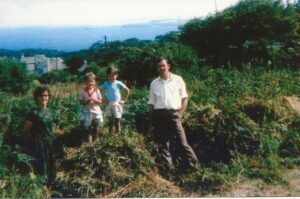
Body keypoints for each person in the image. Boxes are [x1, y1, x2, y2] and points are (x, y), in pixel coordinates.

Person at [148, 57, 198, 172]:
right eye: (159, 66)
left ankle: (193, 168)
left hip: (174, 114)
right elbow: (151, 105)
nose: (161, 68)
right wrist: (150, 124)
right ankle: (169, 172)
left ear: (168, 66)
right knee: (164, 145)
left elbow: (185, 99)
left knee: (182, 142)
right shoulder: (154, 84)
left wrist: (180, 114)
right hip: (159, 116)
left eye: (163, 65)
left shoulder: (178, 79)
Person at [23, 86, 63, 189]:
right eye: (41, 96)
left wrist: (64, 134)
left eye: (46, 95)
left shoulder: (51, 112)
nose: (43, 98)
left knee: (52, 168)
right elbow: (25, 132)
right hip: (38, 146)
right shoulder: (33, 113)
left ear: (49, 97)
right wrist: (28, 146)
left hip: (51, 144)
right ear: (36, 97)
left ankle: (51, 189)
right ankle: (42, 190)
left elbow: (54, 129)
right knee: (41, 169)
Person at [101, 65, 130, 134]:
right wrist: (104, 99)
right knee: (110, 121)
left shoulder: (118, 83)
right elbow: (99, 90)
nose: (111, 77)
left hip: (117, 104)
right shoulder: (106, 84)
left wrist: (124, 100)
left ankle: (117, 134)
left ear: (116, 75)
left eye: (113, 75)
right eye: (109, 76)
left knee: (117, 121)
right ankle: (110, 135)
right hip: (109, 104)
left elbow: (127, 90)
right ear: (107, 76)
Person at [80, 72, 103, 143]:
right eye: (88, 81)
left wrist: (95, 101)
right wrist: (86, 102)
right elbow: (81, 102)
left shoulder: (97, 90)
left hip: (96, 112)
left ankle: (96, 141)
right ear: (85, 82)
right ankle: (90, 143)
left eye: (92, 81)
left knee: (96, 126)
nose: (90, 83)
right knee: (89, 128)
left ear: (94, 82)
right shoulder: (83, 92)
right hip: (88, 112)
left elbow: (101, 101)